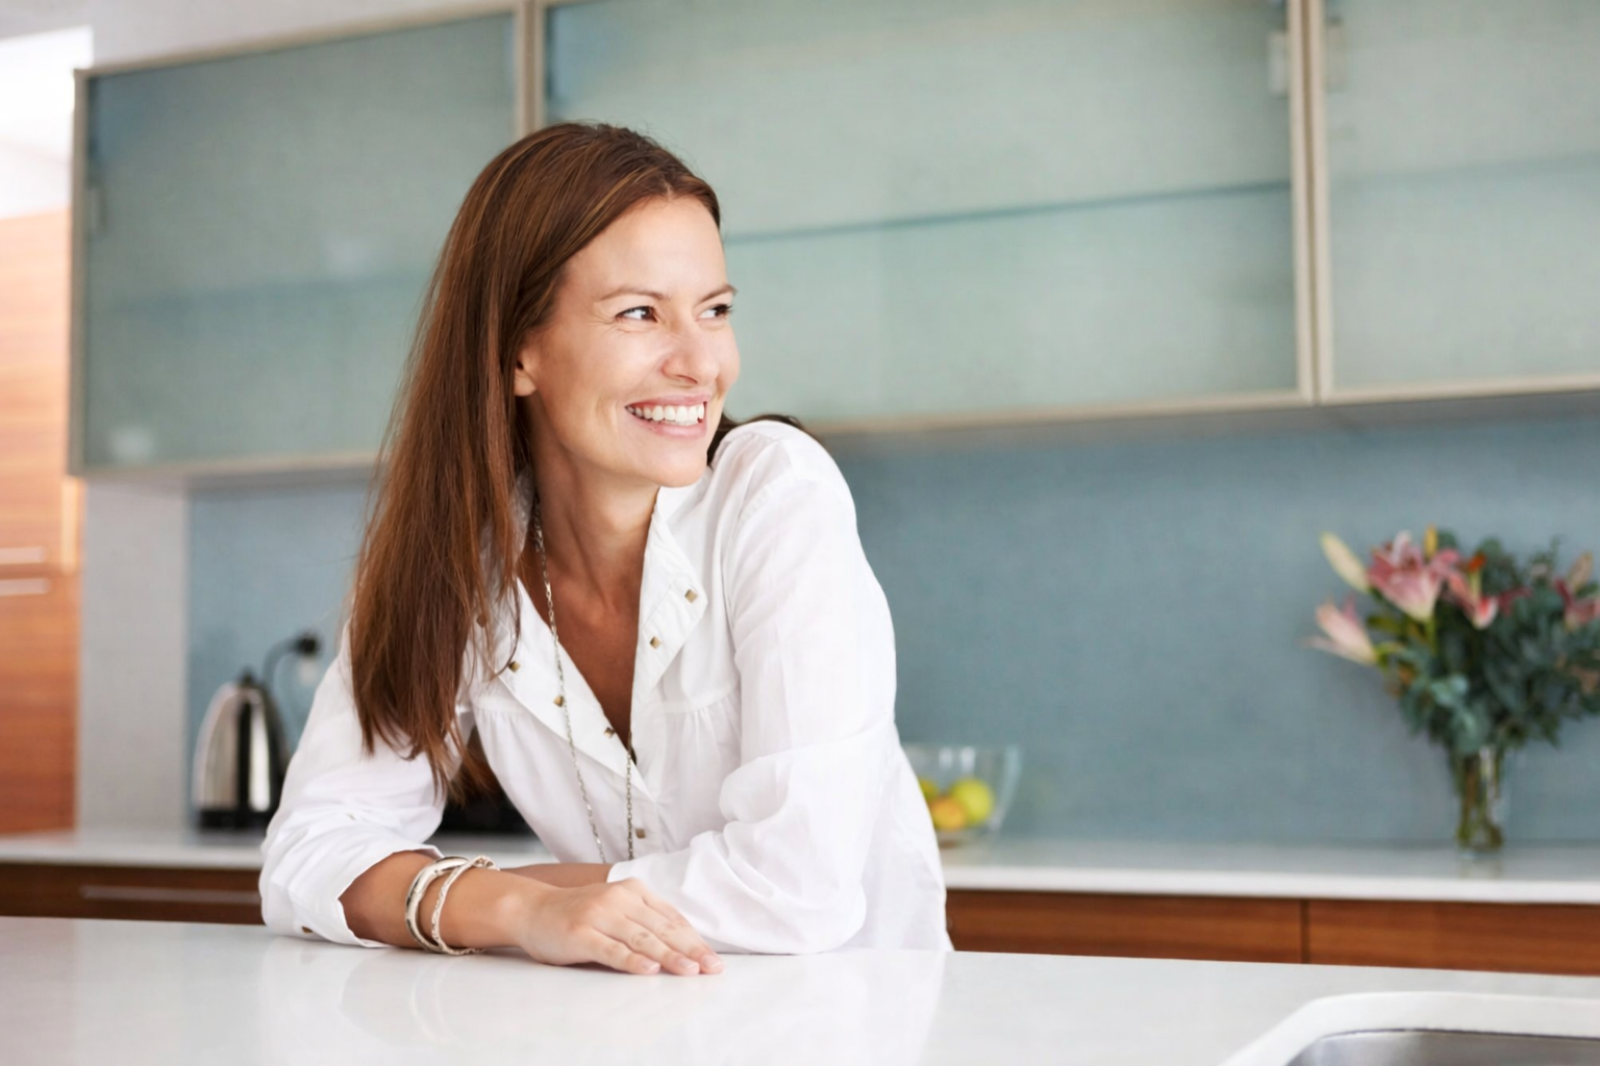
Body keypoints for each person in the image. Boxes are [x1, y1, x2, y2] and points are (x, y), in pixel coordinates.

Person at [260, 123, 950, 975]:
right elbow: (306, 860)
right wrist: (522, 907)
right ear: (519, 350)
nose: (701, 362)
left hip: (837, 1028)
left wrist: (486, 900)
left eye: (716, 311)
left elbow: (798, 885)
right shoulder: (454, 561)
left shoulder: (775, 493)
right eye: (638, 314)